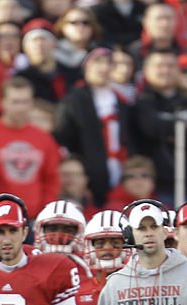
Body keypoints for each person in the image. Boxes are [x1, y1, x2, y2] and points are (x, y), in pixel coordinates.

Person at [130, 51, 187, 205]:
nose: (165, 71)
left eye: (170, 66)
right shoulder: (141, 102)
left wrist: (169, 131)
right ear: (147, 71)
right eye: (159, 66)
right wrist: (184, 127)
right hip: (153, 188)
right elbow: (149, 128)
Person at [54, 47, 127, 209]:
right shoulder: (74, 100)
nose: (104, 68)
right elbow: (63, 138)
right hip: (90, 173)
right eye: (98, 62)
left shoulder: (121, 101)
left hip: (119, 169)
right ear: (86, 66)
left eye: (109, 63)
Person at [0, 78, 62, 216]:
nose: (21, 108)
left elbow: (52, 179)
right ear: (3, 103)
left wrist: (45, 210)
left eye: (25, 102)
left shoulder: (44, 138)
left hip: (33, 216)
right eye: (15, 102)